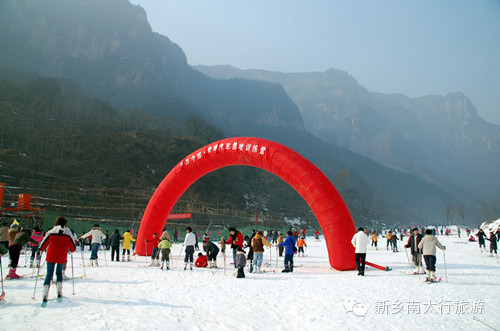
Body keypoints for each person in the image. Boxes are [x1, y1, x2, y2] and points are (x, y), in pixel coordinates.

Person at [39, 216, 76, 306]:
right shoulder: (67, 233)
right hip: (61, 256)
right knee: (59, 273)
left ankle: (45, 294)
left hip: (51, 255)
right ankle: (59, 292)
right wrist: (70, 249)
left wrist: (41, 249)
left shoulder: (51, 232)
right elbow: (72, 247)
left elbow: (43, 244)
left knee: (49, 273)